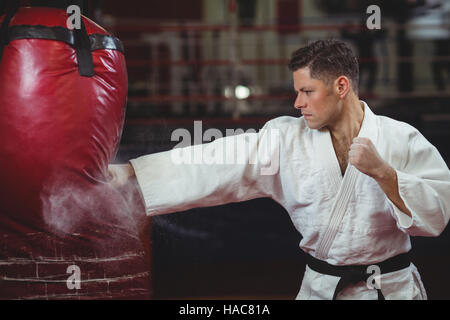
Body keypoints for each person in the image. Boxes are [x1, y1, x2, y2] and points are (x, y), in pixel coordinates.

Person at [108, 40, 450, 300]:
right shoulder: (285, 140)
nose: (297, 102)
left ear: (341, 87)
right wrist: (134, 173)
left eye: (307, 91)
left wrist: (384, 174)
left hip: (393, 289)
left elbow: (435, 217)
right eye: (296, 92)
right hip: (323, 289)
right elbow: (220, 158)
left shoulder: (401, 139)